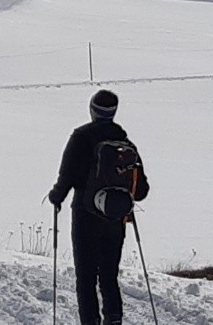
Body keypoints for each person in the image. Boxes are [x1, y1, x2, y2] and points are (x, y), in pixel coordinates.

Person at [48, 89, 149, 325]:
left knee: (86, 277)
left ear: (92, 110)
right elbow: (142, 191)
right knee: (108, 276)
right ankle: (113, 320)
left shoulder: (81, 137)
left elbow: (67, 176)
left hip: (85, 215)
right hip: (115, 220)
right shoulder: (126, 144)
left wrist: (56, 197)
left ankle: (90, 321)